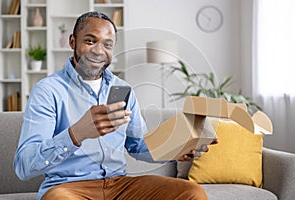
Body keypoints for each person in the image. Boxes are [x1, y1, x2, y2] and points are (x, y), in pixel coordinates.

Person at [14, 11, 211, 200]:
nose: (99, 51)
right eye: (90, 41)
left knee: (192, 193)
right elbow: (24, 166)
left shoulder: (122, 89)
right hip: (68, 187)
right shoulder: (48, 90)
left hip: (120, 185)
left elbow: (137, 145)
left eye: (107, 44)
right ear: (72, 41)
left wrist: (175, 150)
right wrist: (76, 134)